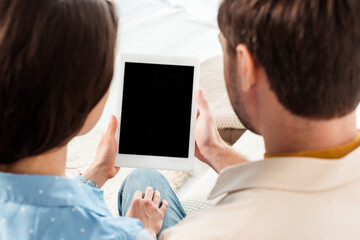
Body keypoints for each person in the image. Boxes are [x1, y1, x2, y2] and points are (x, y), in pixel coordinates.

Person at [121, 0, 360, 239]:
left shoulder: (200, 233)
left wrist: (142, 233)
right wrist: (214, 150)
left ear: (246, 65)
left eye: (223, 48)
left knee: (141, 183)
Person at [0, 0, 179, 239]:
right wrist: (143, 231)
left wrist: (96, 173)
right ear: (82, 100)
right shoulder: (110, 233)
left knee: (142, 179)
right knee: (147, 181)